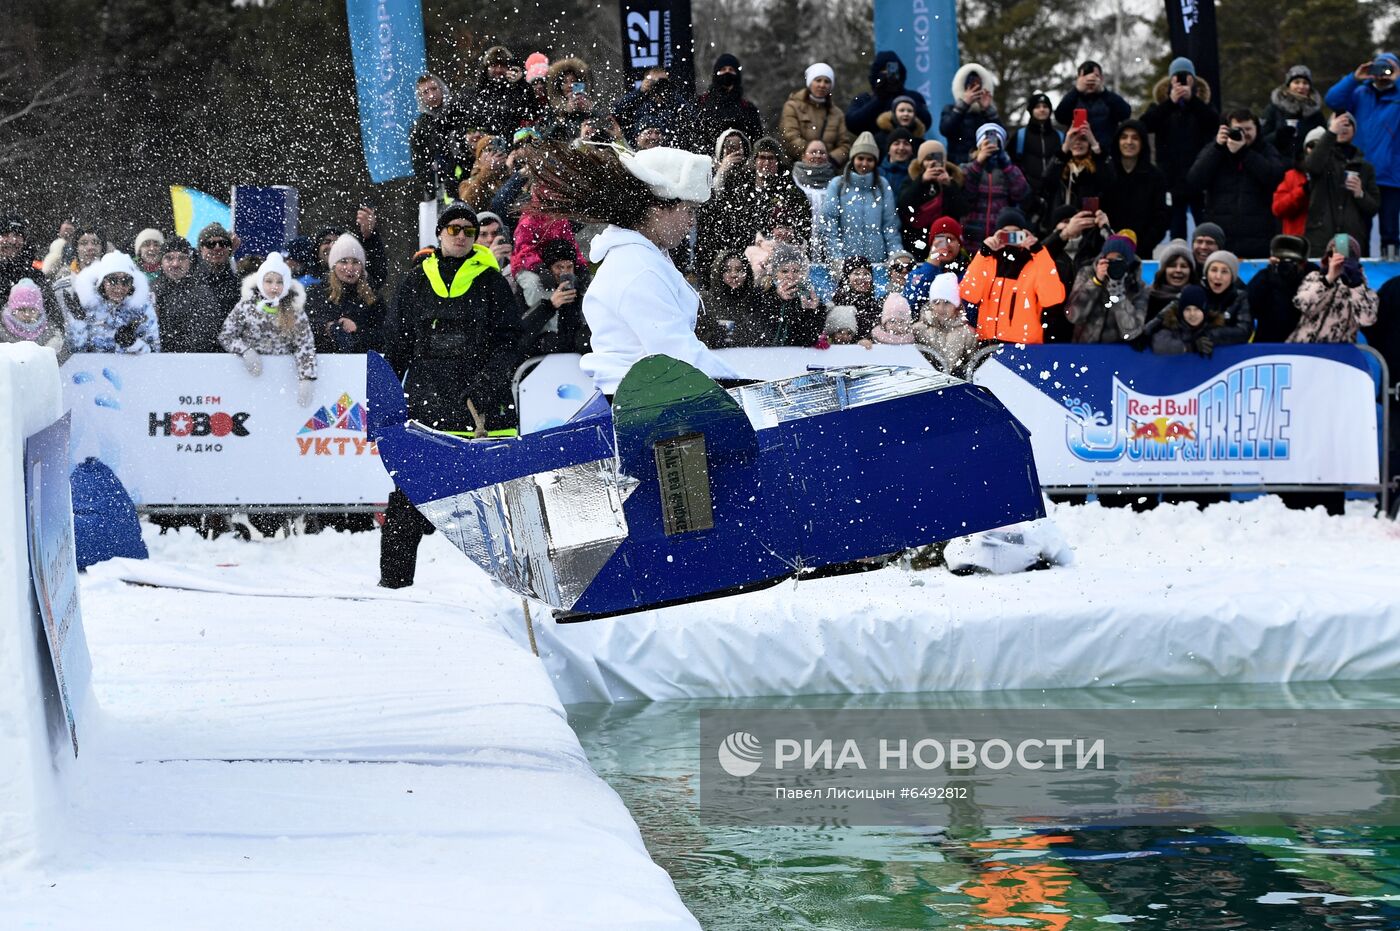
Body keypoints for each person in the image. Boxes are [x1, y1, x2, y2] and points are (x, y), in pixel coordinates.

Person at [379, 201, 525, 587]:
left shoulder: (493, 283)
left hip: (483, 408)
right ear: (440, 234)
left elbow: (511, 343)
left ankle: (517, 589)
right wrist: (384, 402)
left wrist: (487, 384)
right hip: (427, 405)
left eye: (468, 230)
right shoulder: (414, 282)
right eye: (453, 229)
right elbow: (396, 346)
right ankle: (394, 588)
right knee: (407, 502)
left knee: (502, 508)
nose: (461, 235)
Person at [531, 144, 737, 393]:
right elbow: (682, 358)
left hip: (646, 397)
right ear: (657, 209)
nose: (692, 222)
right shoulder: (638, 268)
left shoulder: (646, 258)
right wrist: (750, 386)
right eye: (689, 210)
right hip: (644, 405)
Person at [1324, 53, 1400, 258]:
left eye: (1388, 69)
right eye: (1379, 68)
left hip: (1390, 174)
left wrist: (1398, 79)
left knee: (1391, 230)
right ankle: (1356, 267)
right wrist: (1354, 77)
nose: (1383, 74)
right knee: (1356, 225)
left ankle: (1392, 269)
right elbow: (1332, 99)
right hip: (1360, 171)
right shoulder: (1360, 93)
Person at [218, 251, 316, 403]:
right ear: (260, 282)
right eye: (269, 281)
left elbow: (304, 345)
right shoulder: (246, 305)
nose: (274, 287)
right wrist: (245, 351)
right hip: (249, 379)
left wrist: (306, 377)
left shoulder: (295, 310)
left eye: (279, 282)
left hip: (282, 381)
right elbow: (226, 335)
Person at [1188, 109, 1285, 258]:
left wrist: (1244, 153)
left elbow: (1274, 178)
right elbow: (1195, 180)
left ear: (1257, 130)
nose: (1243, 133)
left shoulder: (1266, 150)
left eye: (1248, 129)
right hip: (1221, 237)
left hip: (1258, 237)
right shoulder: (1215, 150)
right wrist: (1217, 147)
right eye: (1238, 129)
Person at [959, 208, 1066, 344]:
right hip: (988, 344)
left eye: (1016, 235)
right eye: (1005, 235)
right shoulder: (987, 262)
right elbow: (968, 293)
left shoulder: (1034, 263)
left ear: (1025, 235)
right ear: (996, 236)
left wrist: (1039, 251)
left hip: (1025, 346)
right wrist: (983, 253)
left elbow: (1053, 298)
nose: (1010, 239)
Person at [1141, 56, 1218, 240]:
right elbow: (1144, 125)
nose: (1181, 82)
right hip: (1171, 178)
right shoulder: (1161, 107)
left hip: (1198, 177)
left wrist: (1192, 101)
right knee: (1176, 227)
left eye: (1186, 78)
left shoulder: (1202, 106)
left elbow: (1214, 122)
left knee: (1204, 227)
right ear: (1170, 81)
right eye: (1177, 78)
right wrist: (1170, 102)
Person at [819, 132, 902, 267]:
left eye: (870, 160)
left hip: (877, 262)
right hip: (846, 263)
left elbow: (890, 226)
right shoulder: (838, 185)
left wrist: (895, 258)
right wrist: (836, 260)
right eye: (860, 158)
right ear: (853, 159)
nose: (864, 163)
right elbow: (829, 226)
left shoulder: (882, 185)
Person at [1304, 113, 1380, 258]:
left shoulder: (1365, 167)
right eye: (1338, 124)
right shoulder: (1322, 159)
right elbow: (1312, 166)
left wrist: (1360, 194)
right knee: (1320, 277)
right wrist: (1331, 133)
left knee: (1347, 277)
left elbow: (1373, 207)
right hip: (1321, 234)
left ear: (1354, 130)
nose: (1342, 128)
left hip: (1349, 238)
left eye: (1347, 124)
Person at [1288, 233, 1377, 343]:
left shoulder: (1362, 287)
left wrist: (1355, 285)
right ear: (1327, 257)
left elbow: (1367, 320)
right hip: (1305, 348)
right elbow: (1301, 304)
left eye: (1346, 255)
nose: (1337, 258)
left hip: (1338, 354)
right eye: (1332, 254)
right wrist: (1328, 279)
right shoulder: (1314, 277)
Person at [64, 251, 160, 354]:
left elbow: (155, 352)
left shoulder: (142, 308)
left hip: (132, 368)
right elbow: (75, 352)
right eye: (112, 280)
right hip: (94, 368)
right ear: (102, 281)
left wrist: (133, 344)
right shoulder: (88, 305)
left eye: (125, 281)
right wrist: (78, 322)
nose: (119, 288)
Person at [304, 234, 383, 355]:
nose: (350, 268)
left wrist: (357, 330)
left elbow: (385, 336)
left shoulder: (372, 297)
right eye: (343, 261)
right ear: (334, 265)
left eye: (356, 262)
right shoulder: (316, 292)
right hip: (325, 364)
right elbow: (303, 328)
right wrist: (328, 328)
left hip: (361, 366)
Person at [1065, 234, 1147, 344]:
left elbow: (1132, 332)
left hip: (1116, 353)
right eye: (1109, 260)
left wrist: (1118, 294)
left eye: (1119, 261)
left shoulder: (1137, 286)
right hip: (1084, 349)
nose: (1113, 265)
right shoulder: (1087, 274)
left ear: (1128, 263)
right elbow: (1073, 316)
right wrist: (1096, 282)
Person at [959, 123, 1029, 250]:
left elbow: (1021, 194)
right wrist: (978, 164)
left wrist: (1006, 165)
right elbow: (966, 196)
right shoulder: (967, 168)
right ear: (979, 145)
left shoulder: (1010, 169)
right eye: (986, 142)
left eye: (995, 142)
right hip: (971, 235)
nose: (991, 145)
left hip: (999, 236)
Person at [517, 237, 591, 356]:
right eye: (559, 267)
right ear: (549, 269)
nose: (564, 272)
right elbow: (520, 332)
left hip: (573, 359)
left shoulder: (580, 287)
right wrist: (550, 305)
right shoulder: (533, 287)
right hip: (541, 358)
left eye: (569, 267)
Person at [1103, 120, 1168, 253]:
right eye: (1124, 137)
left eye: (1135, 138)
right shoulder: (1105, 173)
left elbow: (1161, 217)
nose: (1129, 142)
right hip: (1107, 251)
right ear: (1117, 142)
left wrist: (1142, 245)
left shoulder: (1156, 176)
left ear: (1142, 143)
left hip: (1143, 251)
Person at [153, 236, 222, 353]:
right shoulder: (151, 291)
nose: (175, 264)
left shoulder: (203, 293)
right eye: (169, 258)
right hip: (155, 363)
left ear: (191, 262)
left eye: (181, 258)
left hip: (192, 363)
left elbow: (203, 338)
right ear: (161, 262)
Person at [897, 140, 966, 255]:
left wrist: (948, 185)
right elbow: (903, 205)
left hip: (944, 239)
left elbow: (962, 210)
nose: (934, 162)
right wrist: (922, 181)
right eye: (929, 159)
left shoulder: (953, 180)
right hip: (916, 239)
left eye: (938, 158)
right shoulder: (911, 180)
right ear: (921, 162)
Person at [1249, 234, 1318, 342]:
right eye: (1283, 260)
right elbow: (1250, 306)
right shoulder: (1265, 277)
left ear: (1303, 262)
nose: (1288, 265)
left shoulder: (1313, 279)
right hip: (1267, 344)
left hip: (1304, 345)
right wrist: (1270, 274)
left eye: (1294, 261)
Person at [780, 63, 852, 165]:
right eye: (818, 80)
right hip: (797, 167)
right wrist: (810, 154)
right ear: (810, 82)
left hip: (827, 171)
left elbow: (844, 145)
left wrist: (830, 159)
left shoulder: (837, 114)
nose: (822, 85)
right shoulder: (792, 106)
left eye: (827, 81)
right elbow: (789, 136)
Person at [847, 51, 933, 137]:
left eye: (892, 70)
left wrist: (901, 95)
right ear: (876, 74)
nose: (888, 75)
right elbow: (852, 124)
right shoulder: (865, 99)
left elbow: (926, 121)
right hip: (874, 147)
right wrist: (879, 98)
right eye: (884, 71)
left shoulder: (913, 97)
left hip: (907, 146)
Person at [614, 66, 700, 151]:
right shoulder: (638, 101)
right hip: (638, 151)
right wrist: (639, 92)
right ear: (646, 81)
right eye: (655, 81)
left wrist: (672, 94)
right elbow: (617, 112)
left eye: (664, 81)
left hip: (669, 152)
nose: (660, 84)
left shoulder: (675, 103)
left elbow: (693, 118)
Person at [1011, 92, 1063, 232]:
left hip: (1054, 196)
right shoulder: (1020, 135)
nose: (1042, 109)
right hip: (1027, 195)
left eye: (1045, 106)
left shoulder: (1060, 136)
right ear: (1031, 110)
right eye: (1038, 106)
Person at [754, 243, 823, 346]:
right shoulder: (762, 293)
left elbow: (808, 340)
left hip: (794, 358)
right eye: (785, 271)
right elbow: (758, 333)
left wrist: (811, 312)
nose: (791, 276)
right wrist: (777, 299)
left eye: (796, 271)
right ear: (775, 273)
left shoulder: (809, 297)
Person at [410, 73, 465, 199]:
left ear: (442, 89)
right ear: (420, 97)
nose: (431, 95)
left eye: (434, 89)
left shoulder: (458, 111)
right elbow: (419, 163)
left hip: (468, 178)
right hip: (441, 186)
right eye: (425, 92)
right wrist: (431, 185)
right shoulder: (420, 127)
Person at [461, 45, 533, 137]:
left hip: (511, 147)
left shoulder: (517, 90)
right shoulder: (473, 93)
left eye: (502, 66)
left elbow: (532, 112)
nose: (498, 70)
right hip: (481, 146)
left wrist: (521, 83)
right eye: (494, 65)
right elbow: (461, 124)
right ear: (486, 68)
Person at [912, 272, 977, 374]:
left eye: (947, 302)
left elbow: (972, 366)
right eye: (936, 302)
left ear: (956, 305)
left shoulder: (968, 333)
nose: (941, 308)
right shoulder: (918, 329)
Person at [1054, 61, 1131, 147]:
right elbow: (1060, 117)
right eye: (1085, 77)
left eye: (1096, 76)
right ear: (1078, 78)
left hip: (1105, 152)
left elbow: (1125, 114)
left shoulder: (1109, 98)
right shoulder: (1073, 98)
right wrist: (1076, 91)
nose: (1090, 80)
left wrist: (1103, 92)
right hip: (1077, 151)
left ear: (1101, 78)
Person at [695, 53, 763, 146]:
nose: (727, 72)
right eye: (723, 69)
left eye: (731, 69)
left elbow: (756, 141)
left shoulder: (748, 108)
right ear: (716, 73)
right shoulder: (701, 103)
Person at [1260, 64, 1326, 161]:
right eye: (1296, 82)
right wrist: (1278, 135)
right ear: (1289, 85)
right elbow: (1261, 140)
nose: (1301, 86)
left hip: (1306, 164)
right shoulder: (1274, 109)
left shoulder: (1315, 113)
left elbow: (1324, 141)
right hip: (1277, 162)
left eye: (1305, 83)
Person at [1134, 283, 1218, 356]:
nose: (1192, 314)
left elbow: (1227, 334)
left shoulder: (1214, 325)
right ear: (1181, 311)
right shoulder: (1173, 326)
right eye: (1187, 309)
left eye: (1197, 309)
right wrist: (1190, 346)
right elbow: (1159, 344)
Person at [696, 250, 759, 348]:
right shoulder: (703, 301)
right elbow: (695, 340)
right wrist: (714, 337)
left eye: (739, 270)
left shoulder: (756, 300)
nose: (734, 275)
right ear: (718, 273)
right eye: (727, 270)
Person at [940, 63, 999, 166]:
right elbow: (945, 130)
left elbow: (1001, 136)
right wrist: (964, 104)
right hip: (958, 166)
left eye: (978, 86)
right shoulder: (950, 109)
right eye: (971, 86)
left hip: (985, 167)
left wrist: (988, 110)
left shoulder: (986, 113)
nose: (975, 89)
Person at [904, 216, 969, 307]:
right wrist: (931, 265)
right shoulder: (918, 273)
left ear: (959, 244)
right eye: (940, 240)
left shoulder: (969, 273)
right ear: (932, 244)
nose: (946, 245)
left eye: (951, 239)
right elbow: (911, 303)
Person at [1198, 249, 1253, 345]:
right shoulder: (1195, 293)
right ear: (1206, 273)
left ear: (1232, 277)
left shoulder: (1240, 297)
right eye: (1214, 270)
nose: (1218, 276)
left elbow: (1244, 331)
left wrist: (1207, 335)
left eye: (1224, 272)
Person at [2, 278, 65, 358]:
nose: (27, 314)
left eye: (32, 310)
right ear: (12, 310)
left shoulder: (51, 333)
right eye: (21, 309)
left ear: (39, 311)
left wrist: (52, 352)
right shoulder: (2, 332)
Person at [195, 223, 242, 314]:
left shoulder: (238, 282)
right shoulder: (190, 278)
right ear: (201, 249)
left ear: (229, 248)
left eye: (223, 243)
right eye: (210, 244)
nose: (217, 247)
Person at [828, 256, 882, 334]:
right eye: (856, 273)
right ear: (847, 278)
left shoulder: (876, 305)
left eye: (866, 274)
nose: (862, 277)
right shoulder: (838, 303)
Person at [1273, 137, 1312, 238]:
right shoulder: (1291, 176)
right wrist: (1302, 191)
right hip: (1296, 240)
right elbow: (1278, 209)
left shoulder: (1333, 175)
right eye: (1311, 146)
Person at [1146, 238, 1195, 318]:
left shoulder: (1200, 298)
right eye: (1172, 265)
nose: (1178, 270)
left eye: (1183, 266)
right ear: (1164, 270)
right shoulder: (1147, 298)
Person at [791, 138, 836, 216]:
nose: (818, 156)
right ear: (803, 156)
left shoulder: (836, 184)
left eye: (822, 153)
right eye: (813, 152)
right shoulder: (792, 180)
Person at [878, 128, 917, 200]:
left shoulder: (916, 175)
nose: (901, 148)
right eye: (896, 143)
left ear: (912, 151)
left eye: (906, 144)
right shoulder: (876, 173)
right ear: (888, 150)